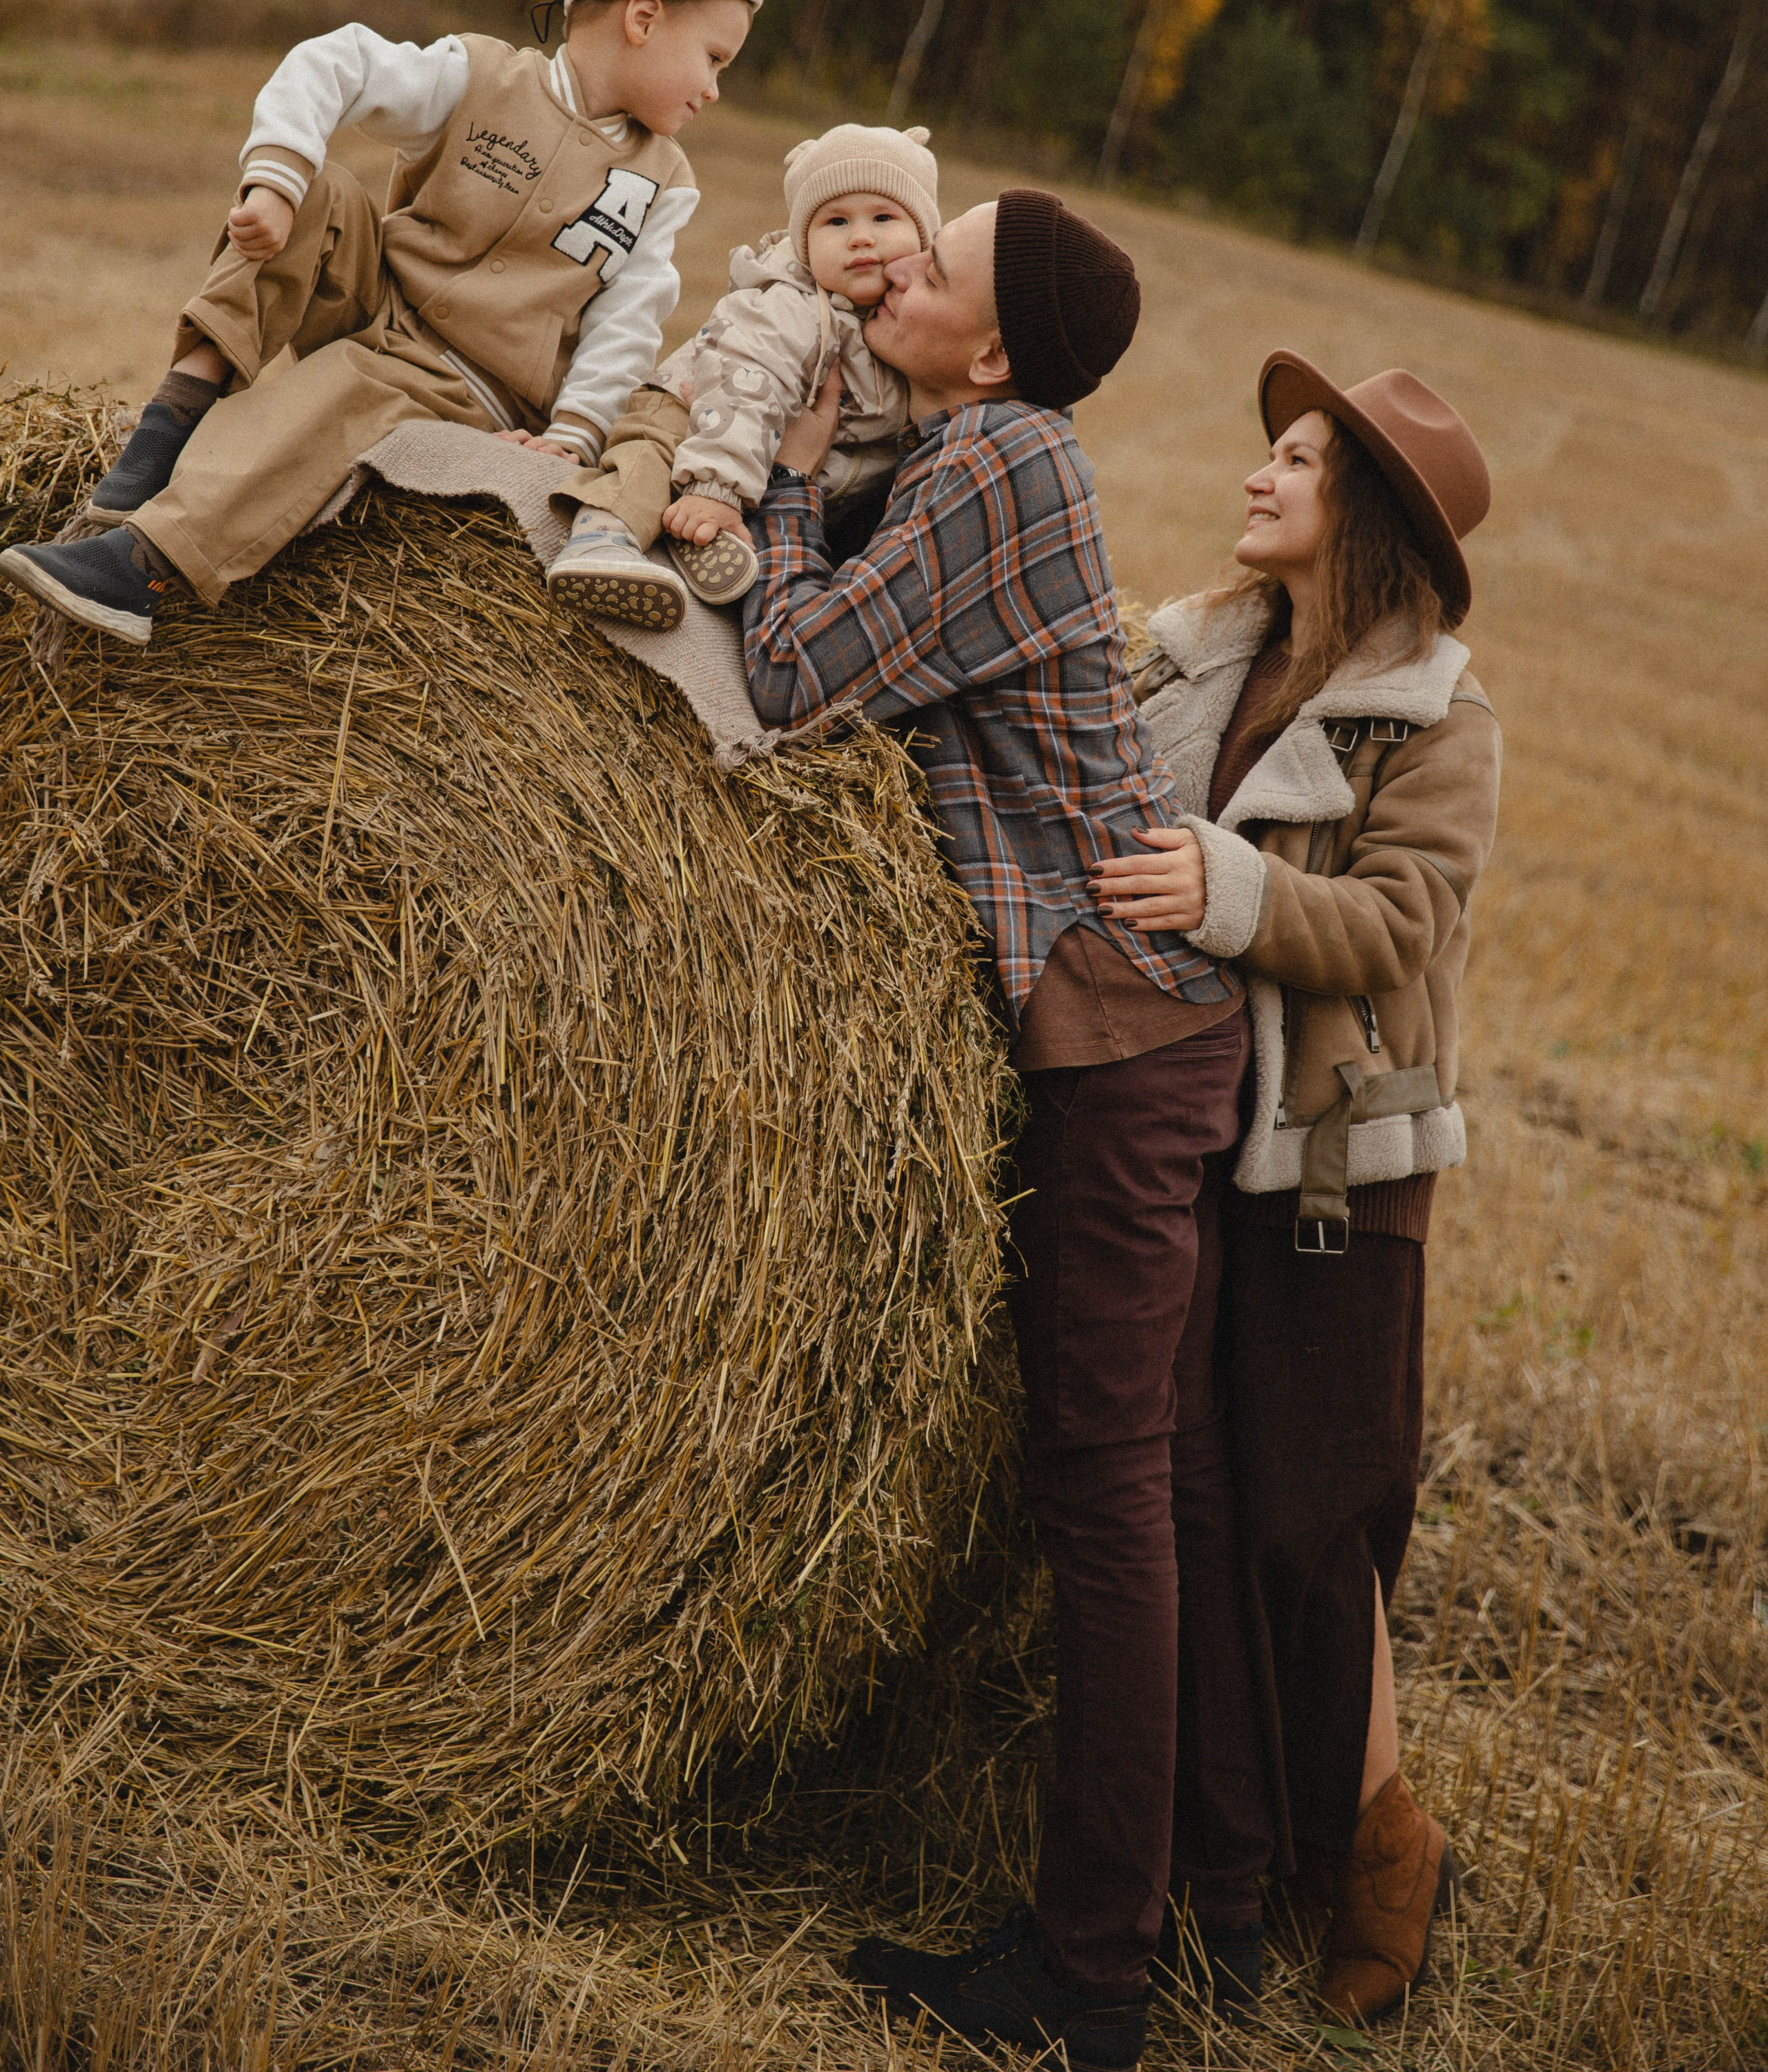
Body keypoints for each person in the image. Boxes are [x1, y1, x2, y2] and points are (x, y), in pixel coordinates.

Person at [745, 192, 1271, 2072]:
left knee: (1105, 1492)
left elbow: (799, 679)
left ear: (989, 349)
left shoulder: (1001, 459)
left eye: (933, 267)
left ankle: (1092, 1979)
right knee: (1146, 1487)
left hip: (1127, 1056)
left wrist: (794, 488)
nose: (891, 270)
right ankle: (1209, 1905)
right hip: (1135, 1041)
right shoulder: (988, 444)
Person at [1091, 351, 1501, 2026]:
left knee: (1313, 1526)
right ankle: (1239, 1864)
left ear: (1367, 517)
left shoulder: (1438, 720)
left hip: (1335, 1164)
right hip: (1195, 1132)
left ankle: (1384, 1848)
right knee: (1213, 1516)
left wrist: (1230, 887)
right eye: (1267, 450)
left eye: (1295, 459)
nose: (1256, 475)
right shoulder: (1204, 654)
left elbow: (1397, 922)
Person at [0, 0, 758, 645]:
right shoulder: (481, 76)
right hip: (378, 302)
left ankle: (146, 567)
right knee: (317, 193)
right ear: (644, 19)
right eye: (714, 58)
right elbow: (335, 63)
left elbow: (627, 324)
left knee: (342, 392)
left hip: (471, 383)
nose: (715, 89)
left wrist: (573, 434)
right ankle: (167, 430)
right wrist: (275, 180)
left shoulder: (663, 182)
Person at [542, 121, 936, 626]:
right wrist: (718, 488)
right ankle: (602, 536)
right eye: (835, 222)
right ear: (805, 244)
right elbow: (745, 386)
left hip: (760, 461)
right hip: (697, 408)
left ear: (924, 234)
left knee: (724, 507)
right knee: (651, 456)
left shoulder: (903, 330)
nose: (861, 237)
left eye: (884, 217)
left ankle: (700, 541)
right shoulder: (790, 307)